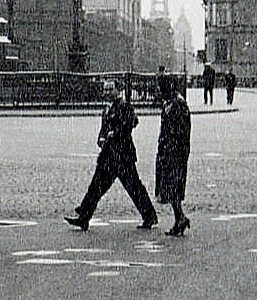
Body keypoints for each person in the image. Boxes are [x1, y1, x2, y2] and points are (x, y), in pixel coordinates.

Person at [66, 80, 158, 231]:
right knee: (96, 186)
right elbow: (103, 130)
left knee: (134, 187)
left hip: (122, 156)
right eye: (105, 90)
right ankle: (84, 216)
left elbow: (131, 123)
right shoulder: (107, 109)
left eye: (110, 89)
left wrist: (115, 133)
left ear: (117, 90)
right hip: (108, 156)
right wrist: (101, 139)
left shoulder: (124, 106)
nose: (107, 92)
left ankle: (149, 216)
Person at [155, 75, 192, 237]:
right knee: (169, 186)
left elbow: (180, 131)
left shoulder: (178, 104)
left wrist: (171, 148)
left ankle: (180, 218)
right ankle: (179, 218)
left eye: (161, 89)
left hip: (175, 152)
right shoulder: (170, 103)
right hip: (168, 151)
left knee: (173, 185)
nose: (159, 93)